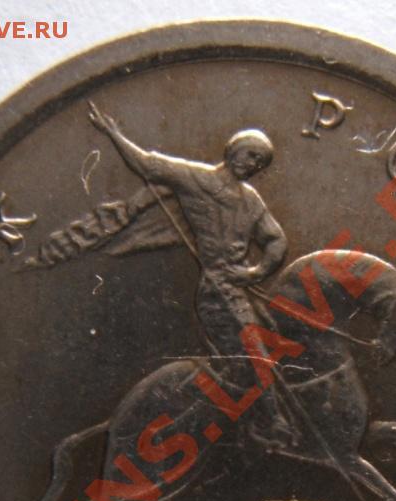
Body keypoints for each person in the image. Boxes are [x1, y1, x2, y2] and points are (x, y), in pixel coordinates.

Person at [88, 104, 297, 446]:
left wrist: (256, 271)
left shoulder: (250, 199)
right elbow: (147, 165)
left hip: (238, 288)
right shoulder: (196, 178)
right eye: (250, 154)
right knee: (255, 351)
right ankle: (268, 423)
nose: (253, 164)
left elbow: (276, 240)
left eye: (260, 162)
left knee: (277, 345)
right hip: (216, 291)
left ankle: (247, 418)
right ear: (233, 149)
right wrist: (114, 134)